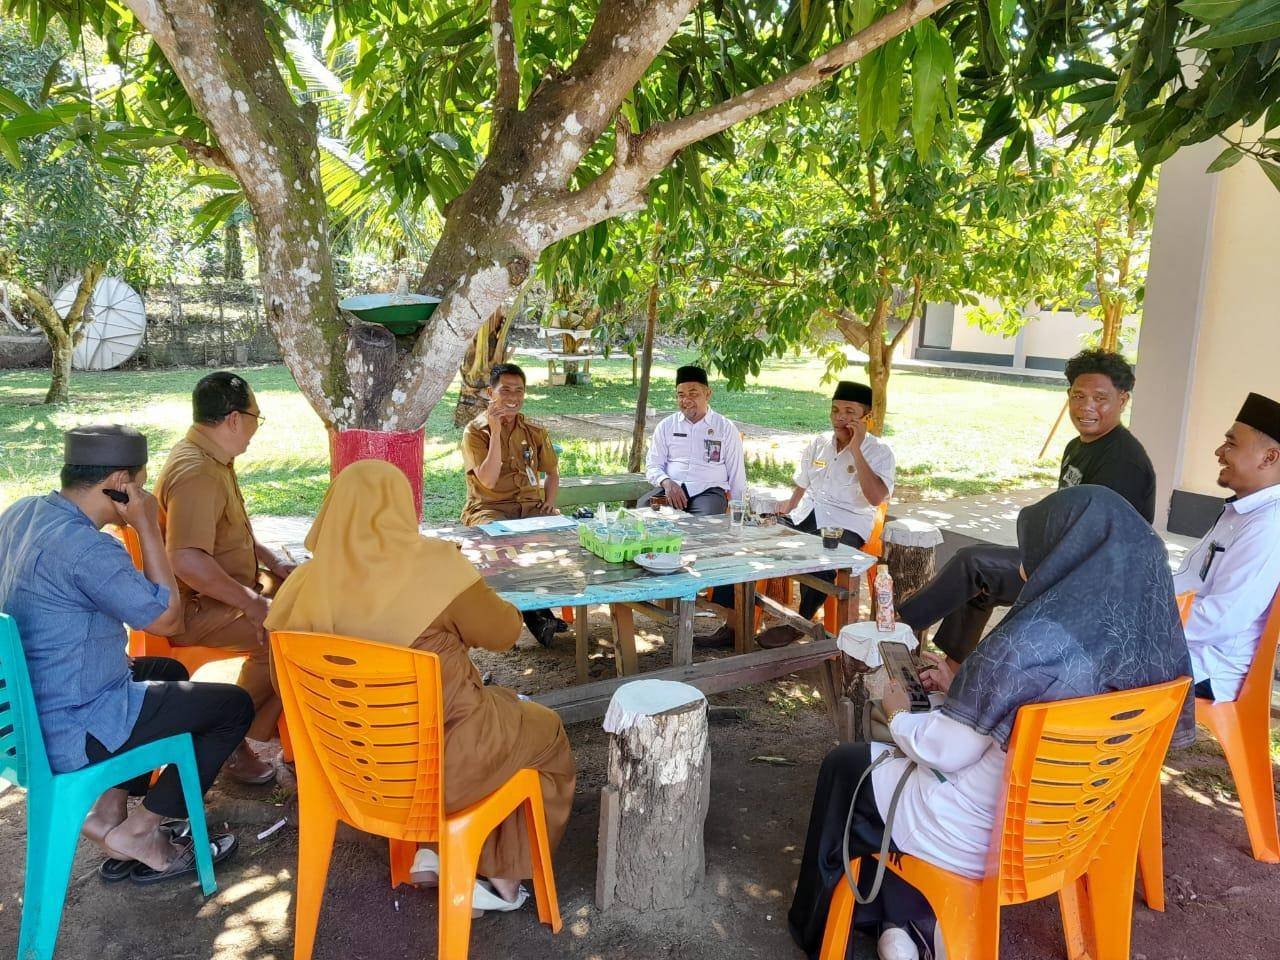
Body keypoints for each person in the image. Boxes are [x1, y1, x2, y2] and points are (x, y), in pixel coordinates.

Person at [788, 486, 1194, 960]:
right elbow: (1029, 708)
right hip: (1073, 829)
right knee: (897, 760)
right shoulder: (1156, 645)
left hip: (985, 834)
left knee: (848, 766)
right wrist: (964, 682)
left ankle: (825, 928)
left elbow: (945, 750)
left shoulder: (1031, 643)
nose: (1024, 564)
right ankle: (907, 922)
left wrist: (898, 709)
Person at [265, 460, 576, 912]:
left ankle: (433, 852)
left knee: (495, 715)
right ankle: (501, 879)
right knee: (543, 733)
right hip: (439, 766)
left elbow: (282, 684)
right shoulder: (434, 567)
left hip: (348, 769)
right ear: (401, 510)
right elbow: (506, 632)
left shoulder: (298, 587)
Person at [0, 425, 248, 882]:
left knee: (165, 669)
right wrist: (148, 527)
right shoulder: (89, 549)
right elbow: (167, 619)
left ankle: (107, 810)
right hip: (70, 727)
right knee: (233, 707)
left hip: (22, 713)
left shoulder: (21, 513)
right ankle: (142, 831)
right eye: (141, 482)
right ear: (120, 483)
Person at [898, 349, 1157, 664]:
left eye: (1100, 398)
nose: (1087, 407)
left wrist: (1036, 562)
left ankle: (896, 628)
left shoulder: (1122, 461)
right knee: (983, 579)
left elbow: (1104, 542)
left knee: (974, 563)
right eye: (1079, 396)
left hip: (1093, 582)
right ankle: (953, 669)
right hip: (1060, 562)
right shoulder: (1077, 447)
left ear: (1123, 399)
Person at [154, 371, 294, 785]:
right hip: (195, 607)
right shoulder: (196, 470)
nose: (255, 429)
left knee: (311, 597)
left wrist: (272, 563)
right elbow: (186, 560)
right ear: (234, 419)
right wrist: (252, 603)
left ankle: (296, 734)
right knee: (292, 634)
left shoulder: (213, 457)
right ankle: (224, 734)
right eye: (256, 418)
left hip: (231, 587)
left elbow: (232, 533)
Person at [757, 381, 894, 649]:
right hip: (808, 513)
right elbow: (803, 483)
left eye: (849, 412)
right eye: (835, 410)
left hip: (846, 522)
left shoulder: (880, 452)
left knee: (823, 556)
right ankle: (734, 619)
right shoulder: (820, 442)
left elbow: (876, 498)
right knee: (753, 535)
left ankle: (800, 622)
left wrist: (856, 448)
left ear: (867, 418)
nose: (840, 417)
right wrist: (787, 507)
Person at [1173, 392, 1280, 702]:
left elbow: (1220, 620)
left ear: (1269, 457)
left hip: (1205, 667)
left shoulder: (1268, 526)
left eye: (1231, 444)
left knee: (1081, 656)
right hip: (1184, 645)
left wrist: (1144, 621)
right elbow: (1192, 583)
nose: (1219, 452)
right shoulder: (1243, 511)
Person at [459, 362, 567, 648]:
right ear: (490, 393)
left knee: (568, 536)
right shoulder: (475, 432)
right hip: (489, 509)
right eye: (505, 389)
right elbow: (489, 481)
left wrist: (549, 504)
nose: (513, 396)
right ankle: (532, 616)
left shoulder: (532, 429)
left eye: (519, 390)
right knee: (501, 545)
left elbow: (552, 473)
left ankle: (549, 606)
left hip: (530, 508)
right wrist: (495, 431)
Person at [641, 364, 749, 648]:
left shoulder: (724, 428)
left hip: (708, 492)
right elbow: (652, 466)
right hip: (670, 490)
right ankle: (647, 590)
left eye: (693, 393)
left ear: (707, 394)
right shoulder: (667, 426)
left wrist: (739, 514)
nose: (686, 400)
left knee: (698, 530)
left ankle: (690, 595)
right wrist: (666, 482)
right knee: (641, 517)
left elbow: (737, 476)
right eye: (680, 394)